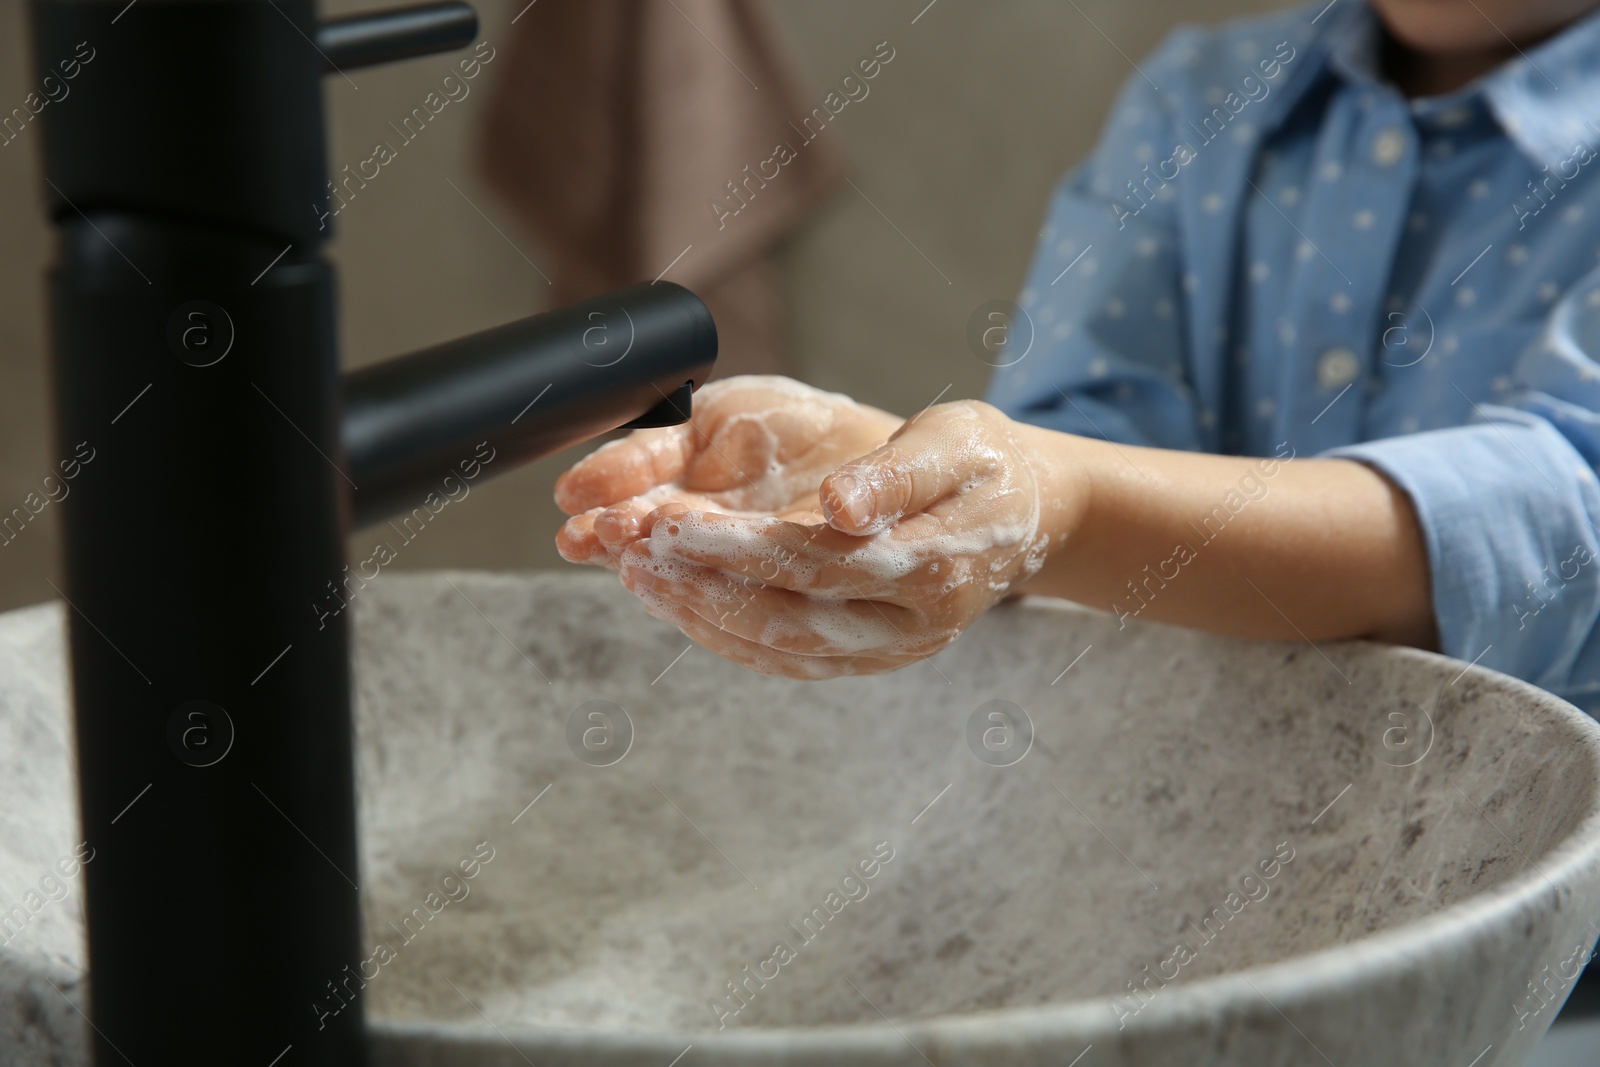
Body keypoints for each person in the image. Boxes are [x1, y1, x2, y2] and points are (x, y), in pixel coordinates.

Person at [554, 0, 1600, 709]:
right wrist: (902, 478)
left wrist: (1065, 506)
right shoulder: (1200, 101)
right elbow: (1079, 449)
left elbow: (1561, 520)